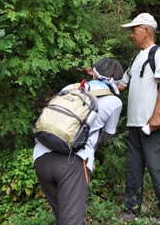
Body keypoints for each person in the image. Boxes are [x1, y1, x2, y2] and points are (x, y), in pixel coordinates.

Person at [33, 57, 124, 225]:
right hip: (73, 163)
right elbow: (107, 135)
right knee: (72, 221)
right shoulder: (114, 102)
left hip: (41, 156)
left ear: (93, 73)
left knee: (62, 216)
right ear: (117, 80)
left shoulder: (71, 88)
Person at [117, 13, 160, 225]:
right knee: (132, 168)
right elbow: (121, 86)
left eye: (134, 30)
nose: (131, 35)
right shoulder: (135, 59)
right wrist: (98, 77)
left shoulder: (159, 54)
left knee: (156, 167)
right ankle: (131, 210)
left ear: (146, 30)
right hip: (133, 126)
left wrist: (156, 115)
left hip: (152, 125)